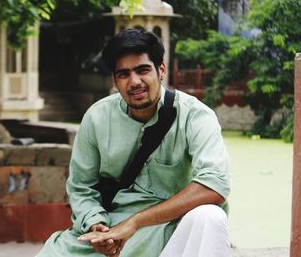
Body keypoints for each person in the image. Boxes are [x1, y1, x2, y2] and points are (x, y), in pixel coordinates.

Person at [36, 28, 231, 257]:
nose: (134, 82)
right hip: (113, 230)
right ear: (115, 80)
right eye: (124, 74)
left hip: (171, 229)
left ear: (161, 70)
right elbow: (81, 187)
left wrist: (136, 222)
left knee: (210, 217)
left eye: (142, 70)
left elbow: (214, 185)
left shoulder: (195, 116)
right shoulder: (97, 118)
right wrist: (96, 225)